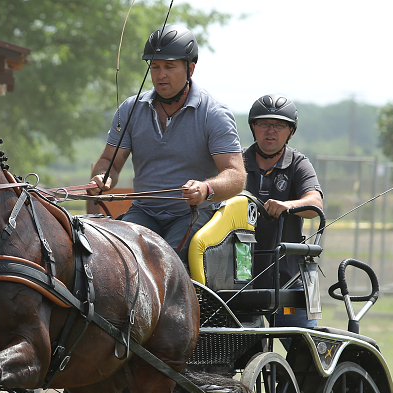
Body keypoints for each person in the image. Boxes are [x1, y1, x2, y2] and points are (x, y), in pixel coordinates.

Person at [88, 25, 245, 261]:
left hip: (192, 214)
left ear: (190, 68)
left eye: (169, 66)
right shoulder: (131, 109)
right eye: (155, 67)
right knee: (112, 258)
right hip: (144, 212)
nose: (161, 74)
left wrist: (206, 189)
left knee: (163, 264)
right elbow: (109, 161)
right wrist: (104, 177)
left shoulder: (214, 113)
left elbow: (236, 175)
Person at [243, 94, 324, 328]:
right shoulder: (237, 162)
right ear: (253, 127)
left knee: (306, 353)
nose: (271, 131)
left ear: (291, 131)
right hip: (240, 281)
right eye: (263, 124)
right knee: (238, 353)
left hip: (292, 279)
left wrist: (287, 206)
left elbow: (315, 204)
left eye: (279, 125)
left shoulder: (299, 163)